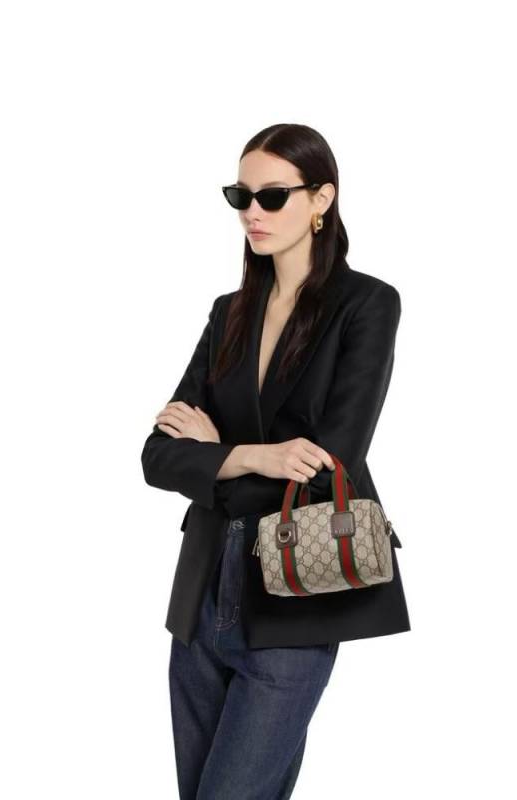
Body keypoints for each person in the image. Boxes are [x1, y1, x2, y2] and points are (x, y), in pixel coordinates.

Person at [141, 122, 410, 799]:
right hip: (203, 592)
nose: (251, 213)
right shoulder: (228, 313)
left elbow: (330, 462)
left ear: (321, 199)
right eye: (241, 196)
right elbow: (158, 455)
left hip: (295, 596)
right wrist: (256, 455)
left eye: (272, 196)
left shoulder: (367, 305)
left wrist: (215, 454)